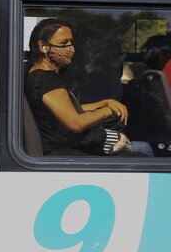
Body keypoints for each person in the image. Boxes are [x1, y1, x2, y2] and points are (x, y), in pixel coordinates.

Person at [25, 18, 153, 156]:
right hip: (66, 152)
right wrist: (108, 111)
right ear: (43, 46)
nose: (70, 48)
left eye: (71, 42)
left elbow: (68, 109)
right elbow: (76, 123)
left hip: (64, 147)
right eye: (63, 43)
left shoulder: (40, 74)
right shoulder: (46, 79)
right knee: (144, 149)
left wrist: (105, 102)